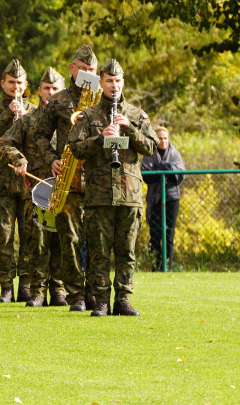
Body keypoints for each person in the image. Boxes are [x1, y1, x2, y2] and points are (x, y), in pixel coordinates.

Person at [68, 59, 158, 316]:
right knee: (99, 251)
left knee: (126, 251)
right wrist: (100, 139)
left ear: (123, 83)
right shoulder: (89, 115)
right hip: (99, 194)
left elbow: (151, 147)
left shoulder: (136, 115)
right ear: (102, 83)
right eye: (108, 81)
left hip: (129, 193)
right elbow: (75, 148)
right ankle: (101, 301)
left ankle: (123, 300)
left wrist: (128, 129)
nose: (114, 85)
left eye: (118, 81)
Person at [29, 45, 100, 312]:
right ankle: (76, 294)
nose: (87, 75)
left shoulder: (105, 98)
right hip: (68, 177)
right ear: (72, 69)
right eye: (82, 70)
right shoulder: (57, 101)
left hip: (96, 179)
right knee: (69, 238)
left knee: (96, 239)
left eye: (92, 70)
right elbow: (38, 136)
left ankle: (96, 292)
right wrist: (51, 160)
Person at [0, 67, 67, 307]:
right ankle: (37, 290)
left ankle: (59, 290)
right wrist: (18, 159)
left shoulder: (72, 120)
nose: (50, 92)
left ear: (63, 91)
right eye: (46, 88)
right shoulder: (29, 120)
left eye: (55, 89)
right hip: (35, 189)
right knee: (36, 242)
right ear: (38, 91)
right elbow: (3, 145)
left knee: (62, 240)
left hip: (66, 189)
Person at [0, 59, 34, 303]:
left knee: (29, 236)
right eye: (11, 82)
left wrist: (24, 119)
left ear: (25, 85)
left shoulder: (34, 111)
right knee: (3, 238)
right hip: (0, 183)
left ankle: (25, 284)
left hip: (27, 185)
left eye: (19, 83)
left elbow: (41, 140)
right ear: (3, 83)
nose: (15, 87)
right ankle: (5, 286)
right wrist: (7, 116)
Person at [141, 126, 185, 270]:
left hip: (172, 198)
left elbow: (180, 174)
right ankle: (156, 265)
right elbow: (146, 174)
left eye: (165, 138)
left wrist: (166, 168)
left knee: (169, 234)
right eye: (160, 138)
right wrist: (162, 168)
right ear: (155, 139)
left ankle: (168, 265)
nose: (163, 141)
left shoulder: (174, 153)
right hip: (155, 199)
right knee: (155, 234)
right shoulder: (149, 153)